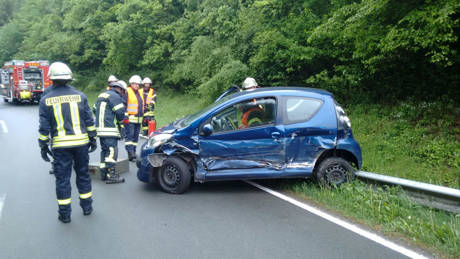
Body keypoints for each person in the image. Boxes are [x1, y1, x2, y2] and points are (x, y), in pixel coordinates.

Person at [38, 62, 97, 223]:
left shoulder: (45, 100)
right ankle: (87, 207)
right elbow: (89, 120)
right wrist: (93, 138)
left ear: (51, 79)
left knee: (62, 179)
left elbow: (44, 128)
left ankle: (65, 214)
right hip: (81, 144)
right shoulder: (81, 96)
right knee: (83, 175)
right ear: (69, 78)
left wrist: (43, 146)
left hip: (60, 146)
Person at [95, 80, 128, 184]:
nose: (123, 94)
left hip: (100, 129)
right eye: (123, 91)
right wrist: (121, 125)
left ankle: (104, 173)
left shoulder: (102, 95)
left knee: (104, 151)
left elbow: (94, 110)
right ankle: (111, 175)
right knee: (112, 151)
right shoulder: (115, 96)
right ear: (120, 89)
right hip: (109, 129)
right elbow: (120, 113)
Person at [125, 75, 144, 161]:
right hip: (130, 119)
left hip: (138, 119)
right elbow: (124, 105)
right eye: (136, 84)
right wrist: (125, 117)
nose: (137, 86)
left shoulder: (139, 92)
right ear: (131, 84)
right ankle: (130, 153)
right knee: (130, 137)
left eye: (138, 84)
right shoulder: (127, 92)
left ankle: (133, 152)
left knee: (135, 138)